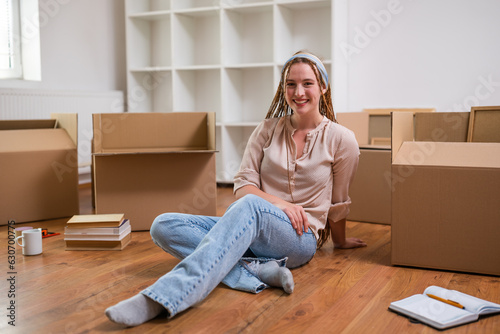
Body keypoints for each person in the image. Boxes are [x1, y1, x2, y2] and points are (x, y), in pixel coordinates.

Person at [105, 50, 366, 327]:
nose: (298, 92)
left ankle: (162, 297)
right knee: (163, 225)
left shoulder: (342, 139)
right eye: (290, 84)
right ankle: (258, 269)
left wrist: (340, 241)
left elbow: (339, 201)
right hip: (254, 226)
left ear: (323, 87)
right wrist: (281, 204)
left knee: (249, 207)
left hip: (300, 238)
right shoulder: (266, 129)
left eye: (307, 83)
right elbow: (243, 186)